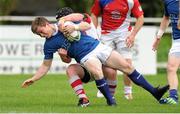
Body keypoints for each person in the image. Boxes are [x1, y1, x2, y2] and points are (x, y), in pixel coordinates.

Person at [22, 16, 169, 106]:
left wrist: (75, 26)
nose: (41, 35)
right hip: (85, 56)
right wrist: (34, 78)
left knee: (126, 66)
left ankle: (155, 92)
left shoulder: (64, 23)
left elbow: (87, 24)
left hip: (98, 47)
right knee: (97, 71)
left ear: (46, 24)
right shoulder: (49, 45)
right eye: (38, 34)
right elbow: (45, 66)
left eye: (41, 31)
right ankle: (111, 101)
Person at [55, 7, 117, 105]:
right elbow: (68, 60)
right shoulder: (63, 34)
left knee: (111, 71)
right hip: (86, 64)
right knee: (70, 69)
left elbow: (86, 19)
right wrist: (63, 56)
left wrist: (74, 26)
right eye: (58, 21)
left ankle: (110, 99)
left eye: (61, 20)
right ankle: (83, 99)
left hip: (98, 59)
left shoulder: (84, 21)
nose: (60, 24)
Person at [90, 0, 144, 100]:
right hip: (106, 34)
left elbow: (140, 18)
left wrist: (132, 35)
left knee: (127, 63)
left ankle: (128, 92)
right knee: (106, 65)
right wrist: (94, 33)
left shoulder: (131, 1)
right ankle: (103, 86)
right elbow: (94, 14)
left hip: (124, 35)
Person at [152, 0, 179, 105]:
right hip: (177, 40)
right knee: (171, 68)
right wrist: (158, 37)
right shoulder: (168, 2)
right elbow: (166, 18)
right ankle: (173, 98)